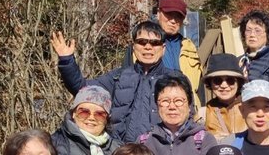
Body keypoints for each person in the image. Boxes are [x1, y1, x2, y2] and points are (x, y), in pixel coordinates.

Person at [53, 21, 188, 143]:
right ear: (133, 46)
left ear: (163, 48)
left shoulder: (176, 79)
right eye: (142, 42)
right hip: (122, 151)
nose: (148, 47)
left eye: (154, 43)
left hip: (162, 151)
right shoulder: (118, 77)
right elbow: (83, 89)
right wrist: (67, 61)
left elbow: (188, 118)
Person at [122, 0, 202, 96]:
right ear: (159, 13)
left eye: (178, 16)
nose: (173, 21)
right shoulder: (141, 45)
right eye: (169, 14)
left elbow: (199, 88)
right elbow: (126, 84)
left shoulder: (189, 47)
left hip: (185, 102)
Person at [200, 52, 247, 138]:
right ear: (210, 83)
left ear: (238, 83)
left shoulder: (252, 108)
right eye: (217, 80)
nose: (224, 85)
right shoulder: (202, 115)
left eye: (230, 80)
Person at [239, 10, 269, 91]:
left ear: (267, 35)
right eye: (248, 30)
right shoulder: (240, 61)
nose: (252, 35)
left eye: (257, 31)